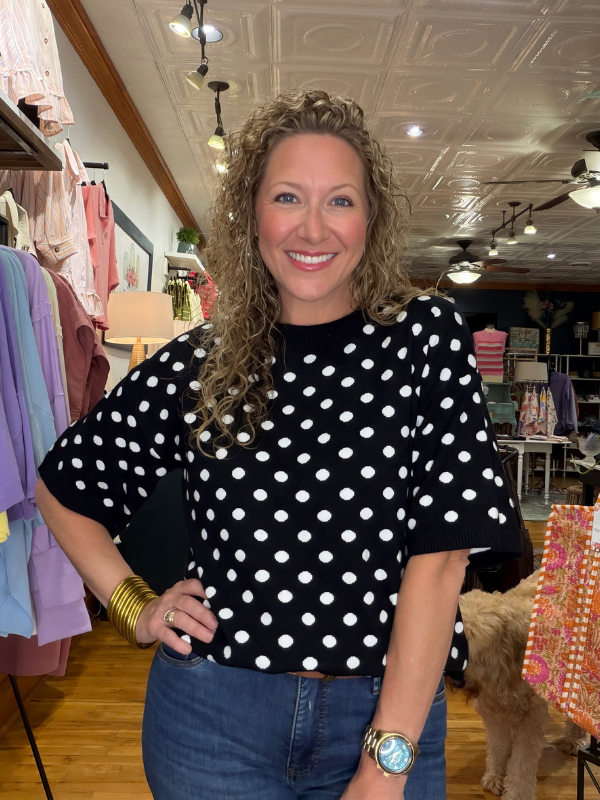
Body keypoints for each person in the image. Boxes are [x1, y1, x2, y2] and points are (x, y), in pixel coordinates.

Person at [36, 89, 521, 800]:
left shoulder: (428, 339)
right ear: (252, 214)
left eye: (341, 201)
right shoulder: (201, 360)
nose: (313, 228)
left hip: (386, 710)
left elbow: (443, 556)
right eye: (289, 197)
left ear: (372, 218)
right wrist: (134, 604)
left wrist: (387, 760)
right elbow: (66, 484)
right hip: (210, 719)